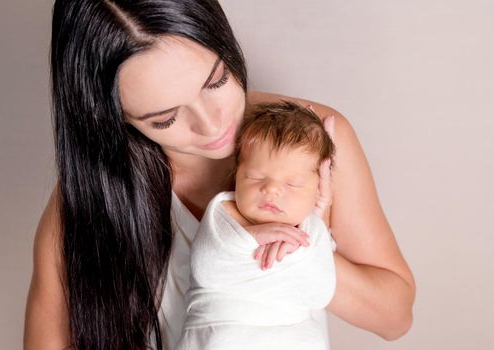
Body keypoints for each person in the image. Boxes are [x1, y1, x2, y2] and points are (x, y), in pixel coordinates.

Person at [24, 1, 416, 349]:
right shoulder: (87, 199)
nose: (213, 125)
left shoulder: (313, 140)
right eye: (166, 118)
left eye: (216, 81)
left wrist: (302, 250)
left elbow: (395, 318)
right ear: (111, 119)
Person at [176, 101, 337, 350]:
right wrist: (250, 238)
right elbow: (207, 268)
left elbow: (321, 292)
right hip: (221, 334)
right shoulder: (223, 211)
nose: (271, 188)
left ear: (318, 187)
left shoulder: (312, 228)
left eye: (292, 183)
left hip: (295, 336)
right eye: (255, 177)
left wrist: (299, 250)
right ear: (236, 176)